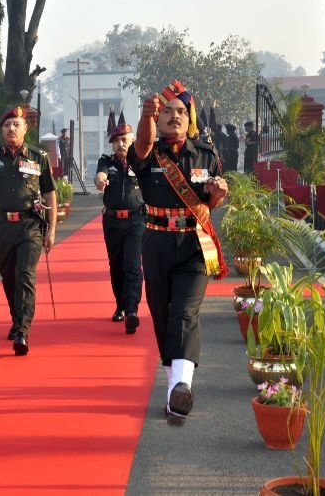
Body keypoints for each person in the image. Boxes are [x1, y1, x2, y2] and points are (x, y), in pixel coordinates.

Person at [129, 80, 228, 426]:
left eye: (181, 112)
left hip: (193, 247)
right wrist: (145, 114)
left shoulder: (206, 154)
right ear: (158, 117)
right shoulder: (147, 153)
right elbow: (141, 142)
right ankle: (174, 388)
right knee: (161, 313)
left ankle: (183, 383)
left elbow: (212, 201)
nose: (174, 117)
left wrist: (217, 194)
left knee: (184, 313)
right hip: (156, 243)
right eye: (167, 111)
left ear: (191, 119)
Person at [0, 106, 57, 356]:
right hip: (4, 226)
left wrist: (51, 230)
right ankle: (17, 318)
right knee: (9, 277)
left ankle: (23, 330)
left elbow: (50, 191)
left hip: (31, 225)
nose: (11, 128)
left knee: (25, 274)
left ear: (25, 128)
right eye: (7, 125)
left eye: (16, 124)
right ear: (1, 130)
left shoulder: (38, 157)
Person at [94, 123, 144, 334]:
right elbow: (100, 175)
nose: (120, 144)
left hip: (137, 221)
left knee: (132, 264)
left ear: (132, 140)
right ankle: (121, 305)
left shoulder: (142, 162)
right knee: (116, 265)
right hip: (113, 222)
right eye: (116, 141)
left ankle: (132, 310)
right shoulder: (106, 161)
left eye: (124, 139)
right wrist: (100, 180)